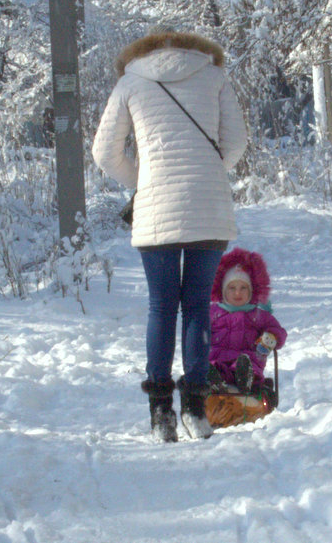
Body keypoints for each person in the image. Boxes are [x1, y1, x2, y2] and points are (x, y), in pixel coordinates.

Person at [92, 27, 247, 442]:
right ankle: (195, 411)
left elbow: (104, 153)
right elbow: (237, 143)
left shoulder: (130, 81)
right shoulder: (214, 76)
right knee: (196, 304)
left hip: (156, 207)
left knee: (162, 307)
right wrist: (209, 173)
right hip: (207, 205)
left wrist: (144, 180)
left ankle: (161, 414)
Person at [208, 248, 287, 394]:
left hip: (247, 360)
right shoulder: (213, 313)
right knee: (213, 366)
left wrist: (272, 336)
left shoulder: (258, 314)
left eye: (243, 288)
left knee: (247, 365)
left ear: (251, 291)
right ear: (223, 290)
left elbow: (278, 330)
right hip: (219, 358)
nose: (238, 293)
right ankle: (215, 379)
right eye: (232, 288)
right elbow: (198, 331)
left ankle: (246, 380)